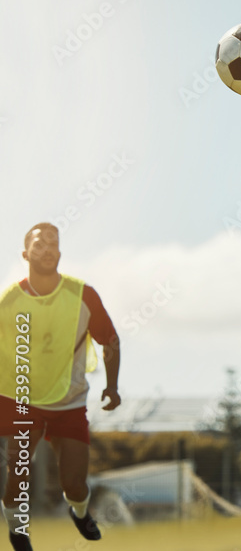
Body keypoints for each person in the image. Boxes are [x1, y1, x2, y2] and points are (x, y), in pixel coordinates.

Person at [0, 223, 120, 551]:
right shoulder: (10, 301)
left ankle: (79, 512)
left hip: (68, 402)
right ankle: (18, 529)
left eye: (54, 243)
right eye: (39, 244)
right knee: (18, 476)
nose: (48, 248)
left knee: (75, 483)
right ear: (25, 254)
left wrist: (112, 387)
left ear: (60, 253)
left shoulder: (83, 295)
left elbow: (110, 340)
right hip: (22, 400)